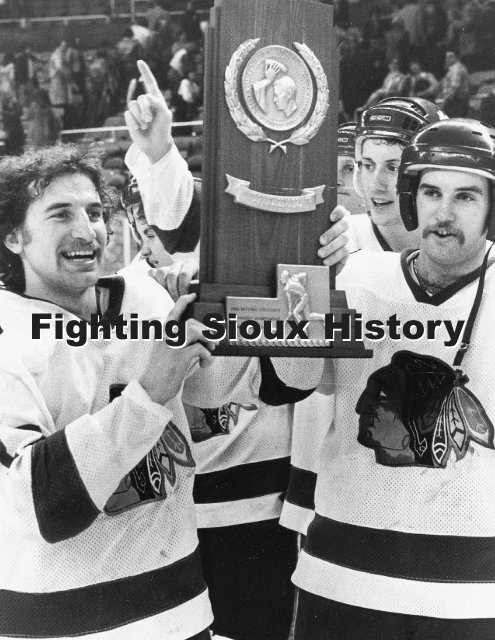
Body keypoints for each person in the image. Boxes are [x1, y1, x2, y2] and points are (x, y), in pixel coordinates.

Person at [0, 144, 321, 640]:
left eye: (94, 212)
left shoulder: (148, 300)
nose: (86, 230)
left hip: (182, 613)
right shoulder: (9, 337)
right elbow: (44, 506)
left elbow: (277, 385)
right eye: (60, 214)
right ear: (14, 236)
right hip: (62, 629)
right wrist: (150, 392)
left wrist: (310, 275)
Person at [123, 59, 344, 640]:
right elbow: (181, 217)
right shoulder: (134, 291)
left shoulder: (316, 250)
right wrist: (159, 154)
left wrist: (315, 282)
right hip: (176, 515)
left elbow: (289, 378)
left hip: (274, 502)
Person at [292, 117, 495, 639]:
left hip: (468, 593)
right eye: (430, 192)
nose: (443, 214)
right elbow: (296, 380)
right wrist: (299, 274)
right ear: (412, 198)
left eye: (466, 197)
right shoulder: (358, 278)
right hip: (342, 576)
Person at [437, 50, 470, 118]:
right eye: (447, 57)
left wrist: (445, 101)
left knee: (454, 122)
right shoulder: (455, 67)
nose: (447, 59)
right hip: (458, 101)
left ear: (457, 57)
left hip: (456, 101)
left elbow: (454, 87)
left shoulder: (456, 68)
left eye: (451, 57)